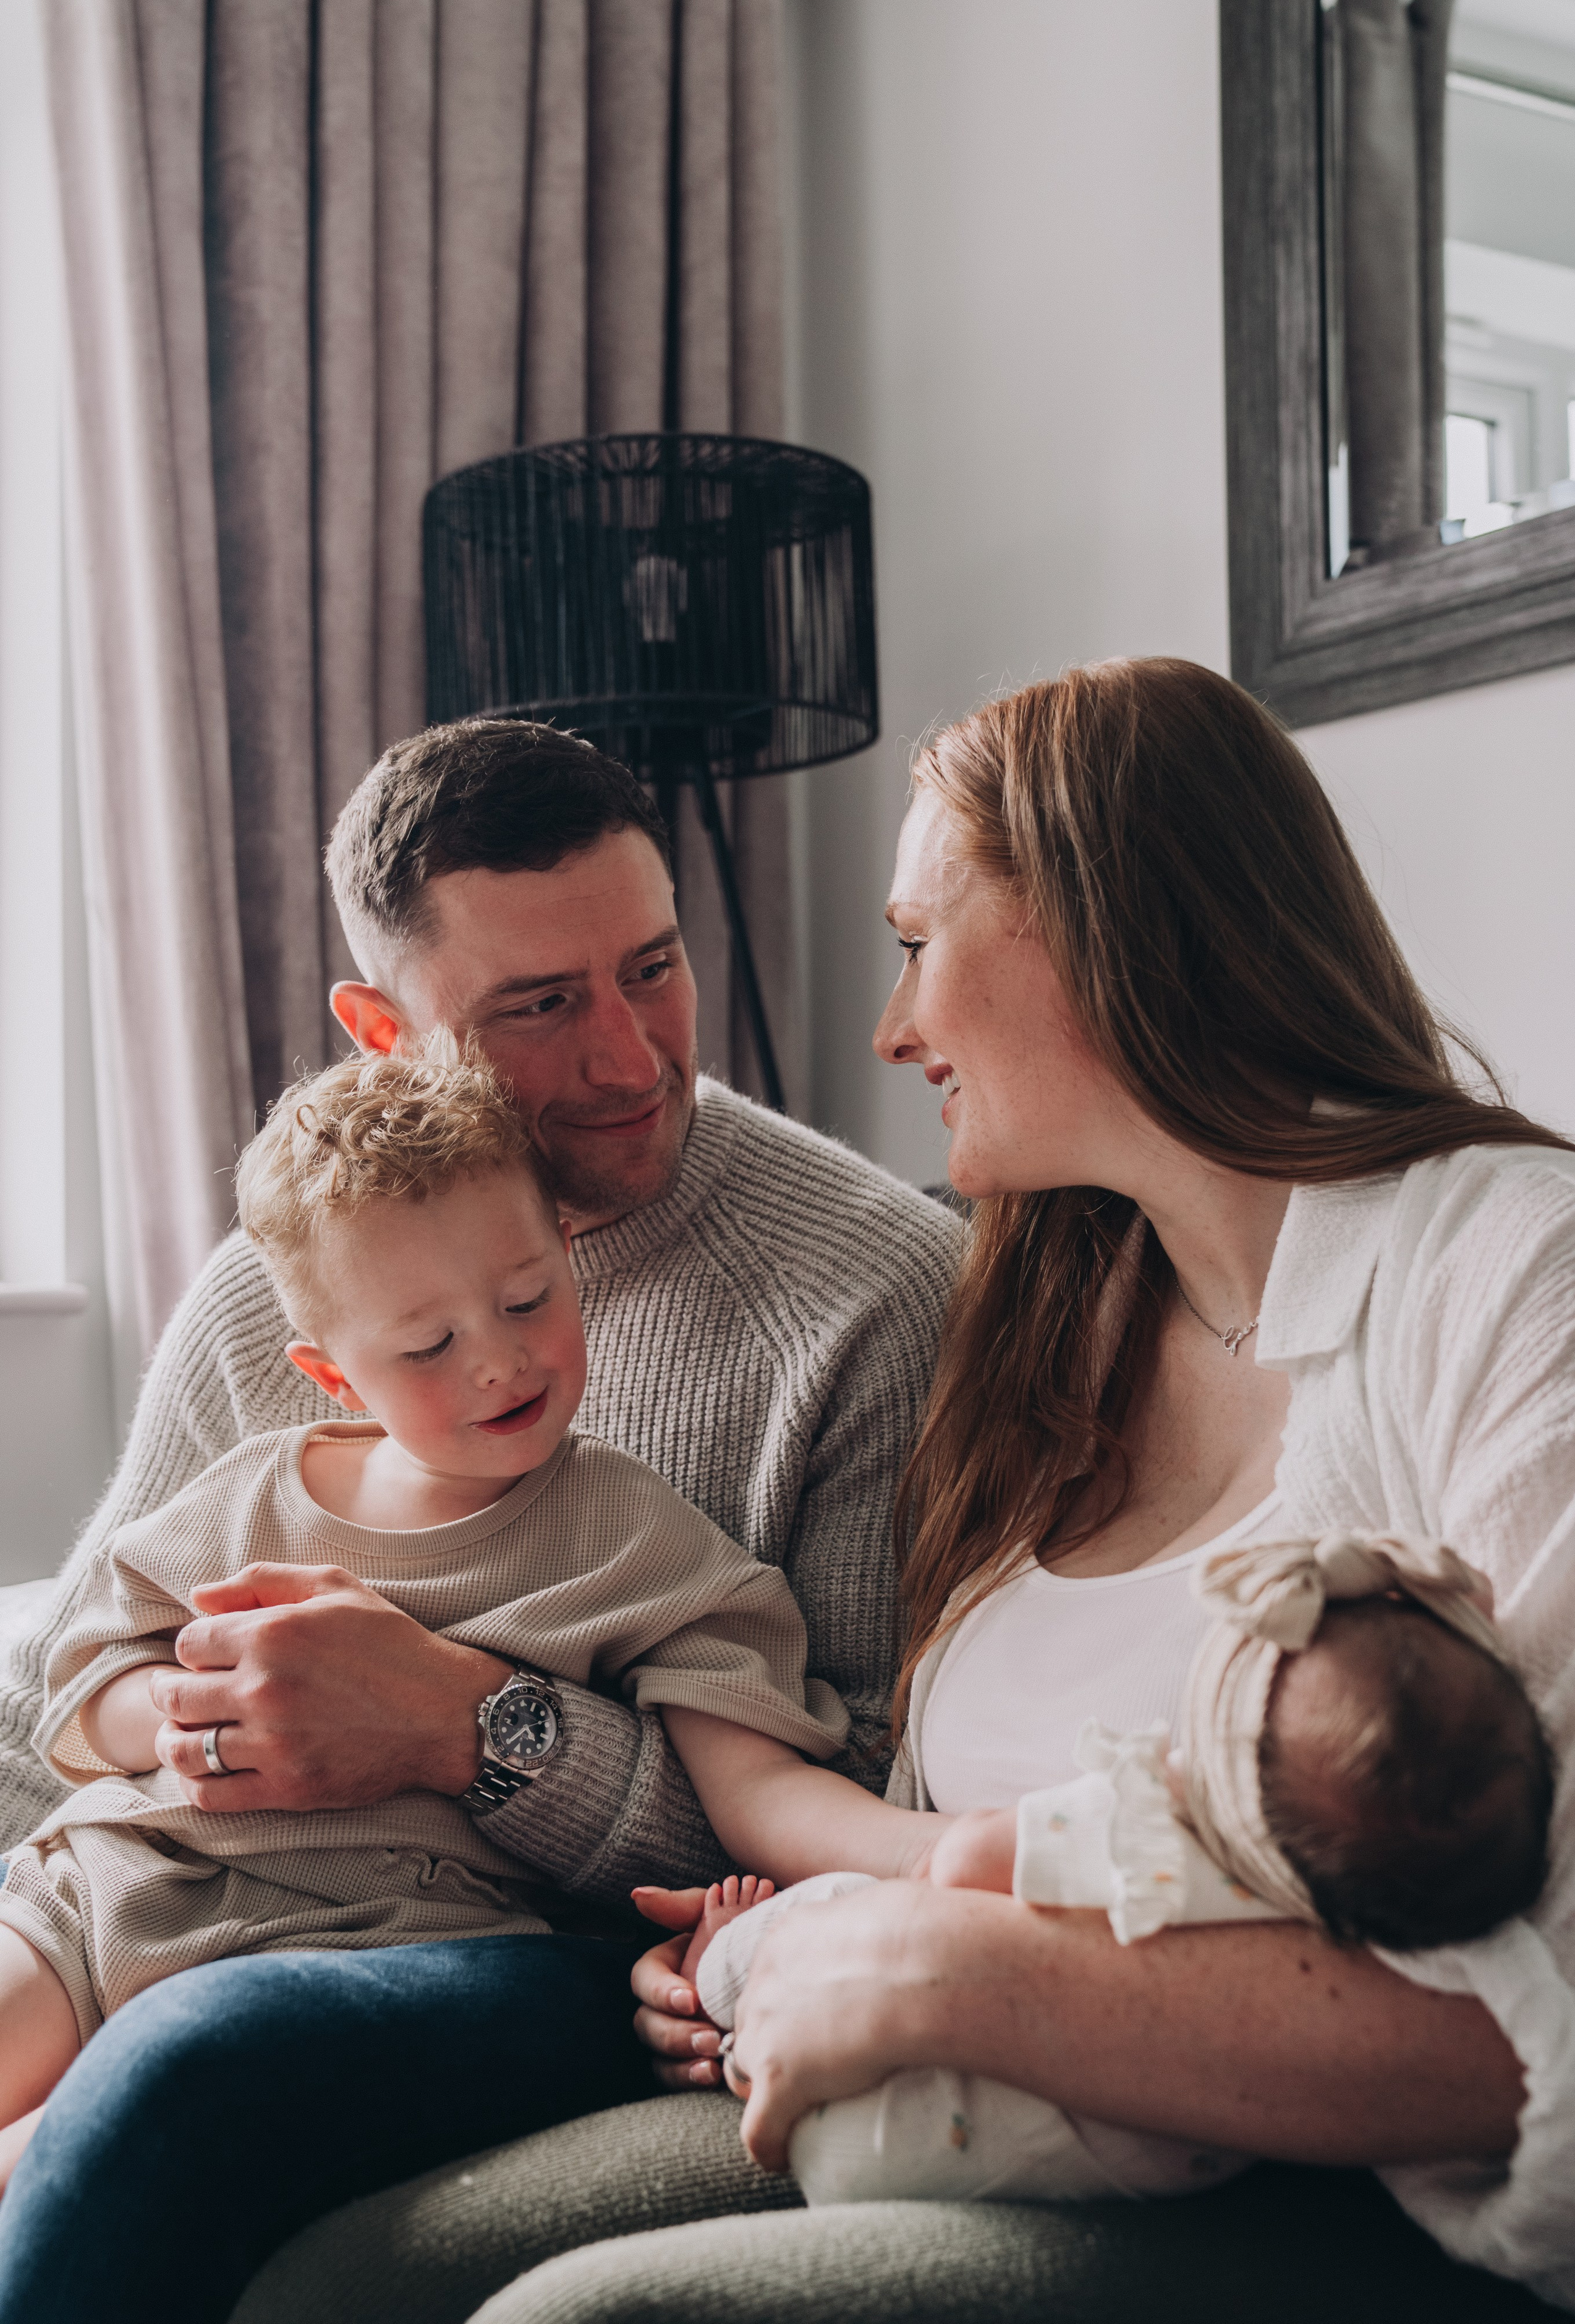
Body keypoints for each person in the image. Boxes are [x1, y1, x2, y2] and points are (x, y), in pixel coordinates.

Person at [231, 657, 1575, 2324]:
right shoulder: (1062, 1310)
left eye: (918, 948)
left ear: (1108, 936)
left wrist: (948, 1969)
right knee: (336, 2279)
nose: (891, 1028)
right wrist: (768, 1939)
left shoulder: (1516, 1268)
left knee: (572, 2322)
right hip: (942, 2075)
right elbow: (903, 1805)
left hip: (1332, 2187)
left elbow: (1552, 2010)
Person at [0, 721, 960, 2323]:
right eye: (540, 1006)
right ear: (387, 1033)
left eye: (655, 968)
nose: (633, 1058)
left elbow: (834, 1790)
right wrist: (157, 1746)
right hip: (163, 1880)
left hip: (509, 1949)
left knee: (177, 2072)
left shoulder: (871, 1296)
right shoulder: (284, 1289)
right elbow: (60, 1686)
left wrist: (471, 1729)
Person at [0, 1047, 848, 2181]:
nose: (499, 1361)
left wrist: (902, 1862)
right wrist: (186, 1714)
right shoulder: (254, 1491)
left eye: (527, 1300)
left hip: (367, 1940)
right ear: (335, 1375)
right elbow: (81, 1670)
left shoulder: (635, 1537)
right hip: (114, 1886)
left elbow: (749, 1789)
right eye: (430, 1346)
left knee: (49, 2163)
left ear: (568, 1260)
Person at [677, 1527, 1554, 2208]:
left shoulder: (1157, 1828)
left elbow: (964, 1863)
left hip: (897, 2115)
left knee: (837, 1909)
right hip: (1170, 2160)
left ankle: (716, 1973)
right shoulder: (1336, 1914)